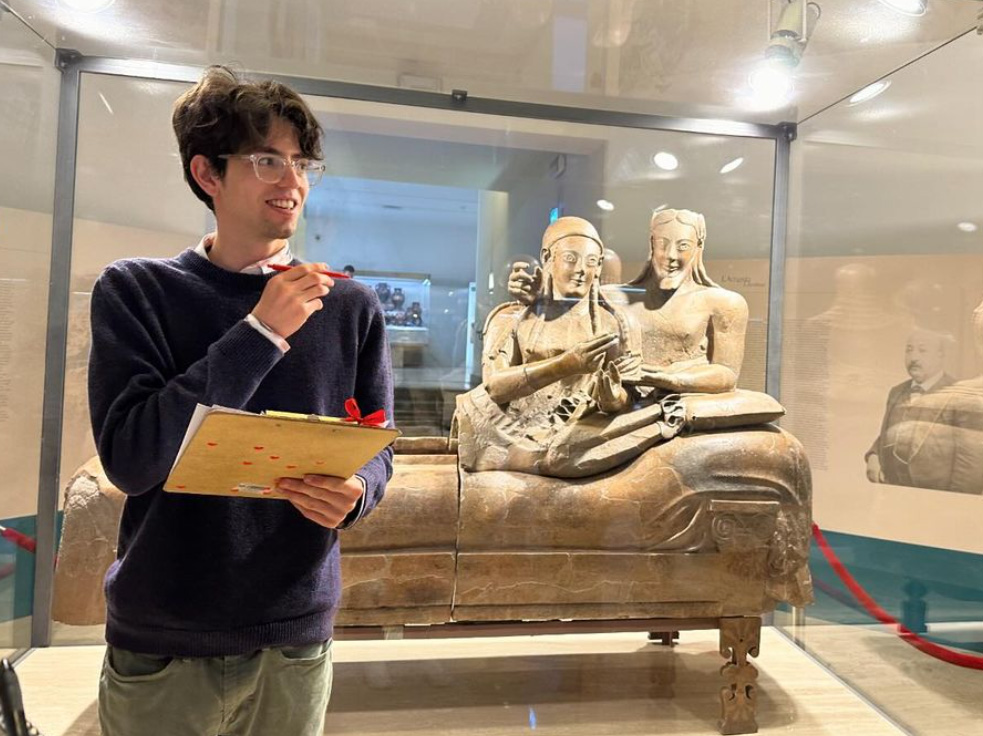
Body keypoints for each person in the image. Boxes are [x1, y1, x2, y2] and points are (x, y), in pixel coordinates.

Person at [87, 66, 394, 736]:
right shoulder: (136, 291)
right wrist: (260, 332)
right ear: (208, 174)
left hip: (293, 634)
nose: (291, 182)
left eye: (300, 162)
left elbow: (378, 445)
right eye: (265, 160)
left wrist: (357, 491)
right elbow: (133, 460)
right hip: (164, 629)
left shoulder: (349, 305)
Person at [864, 329, 958, 490]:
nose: (914, 357)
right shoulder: (897, 392)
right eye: (909, 350)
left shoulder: (957, 394)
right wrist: (873, 455)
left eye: (922, 350)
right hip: (892, 491)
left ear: (940, 356)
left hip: (936, 497)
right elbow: (888, 434)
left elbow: (967, 458)